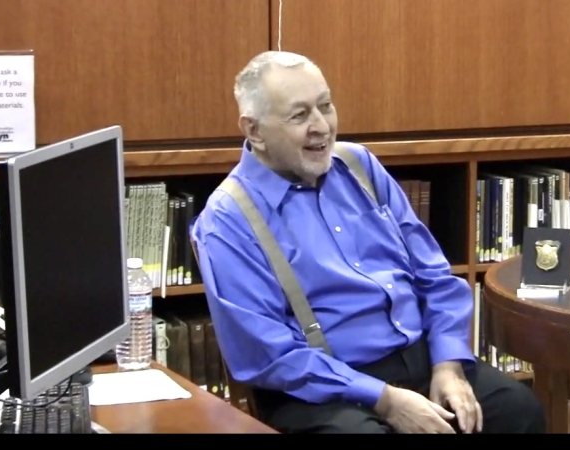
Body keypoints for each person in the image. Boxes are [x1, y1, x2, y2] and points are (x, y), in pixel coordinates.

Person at [190, 51, 546, 434]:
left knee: (517, 410)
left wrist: (448, 365)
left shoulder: (359, 165)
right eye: (299, 115)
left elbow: (434, 275)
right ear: (254, 131)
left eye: (325, 106)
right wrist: (386, 399)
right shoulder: (228, 220)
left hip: (422, 361)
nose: (321, 127)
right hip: (322, 389)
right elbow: (268, 355)